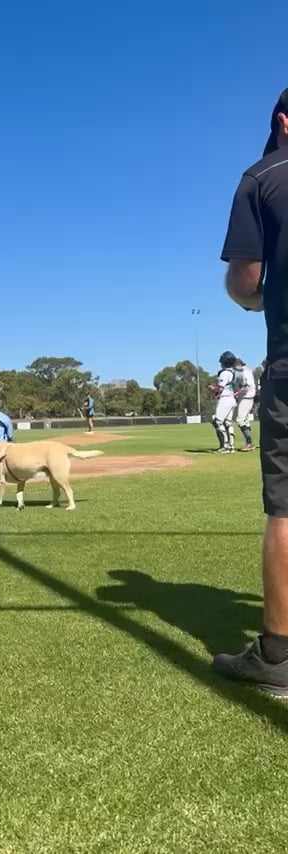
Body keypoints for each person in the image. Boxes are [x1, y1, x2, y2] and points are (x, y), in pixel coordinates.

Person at [214, 87, 288, 695]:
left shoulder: (263, 175)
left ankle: (278, 657)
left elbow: (244, 281)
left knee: (287, 509)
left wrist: (260, 297)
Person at [208, 352, 237, 453]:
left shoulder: (224, 373)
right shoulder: (232, 372)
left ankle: (225, 446)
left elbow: (220, 389)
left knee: (217, 421)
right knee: (228, 423)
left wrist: (212, 388)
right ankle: (231, 446)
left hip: (225, 399)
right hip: (231, 399)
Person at [234, 358, 256, 451]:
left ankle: (249, 442)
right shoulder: (246, 371)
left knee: (240, 420)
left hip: (246, 398)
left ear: (238, 364)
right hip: (246, 398)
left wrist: (235, 394)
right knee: (245, 421)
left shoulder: (245, 372)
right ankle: (249, 443)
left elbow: (245, 389)